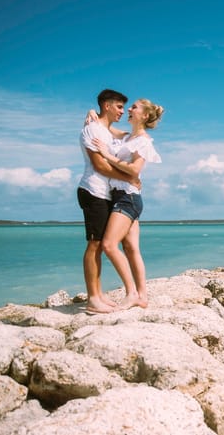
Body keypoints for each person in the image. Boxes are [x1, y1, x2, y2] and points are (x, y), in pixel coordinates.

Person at [92, 98, 164, 310]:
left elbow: (134, 170)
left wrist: (107, 155)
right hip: (122, 196)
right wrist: (92, 113)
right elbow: (105, 126)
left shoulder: (143, 141)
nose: (128, 110)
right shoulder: (127, 136)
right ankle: (142, 296)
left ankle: (131, 293)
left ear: (145, 116)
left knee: (108, 245)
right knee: (131, 248)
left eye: (134, 107)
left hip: (128, 198)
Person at [77, 89, 138, 314]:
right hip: (92, 191)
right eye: (119, 106)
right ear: (107, 106)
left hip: (104, 193)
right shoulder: (93, 130)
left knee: (100, 244)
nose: (123, 111)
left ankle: (99, 293)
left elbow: (126, 134)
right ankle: (93, 298)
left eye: (125, 107)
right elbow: (100, 166)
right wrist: (131, 178)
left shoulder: (105, 130)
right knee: (95, 244)